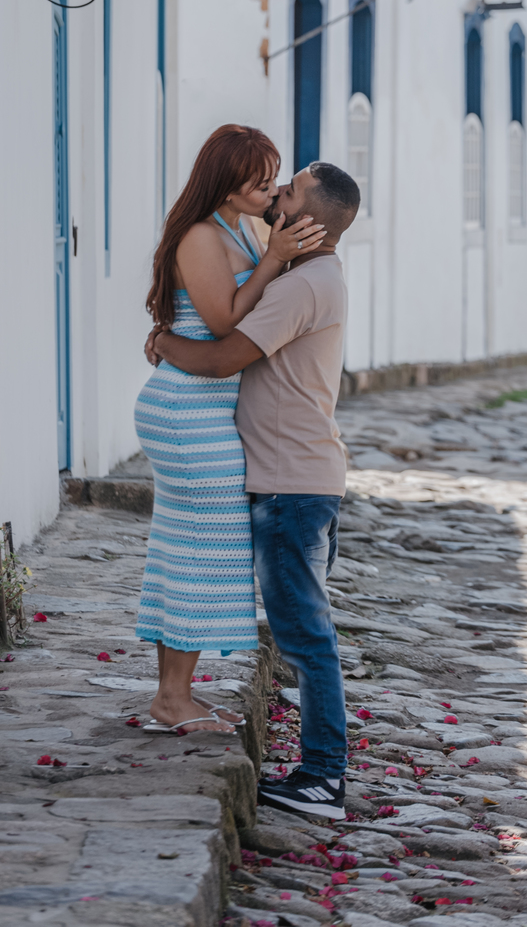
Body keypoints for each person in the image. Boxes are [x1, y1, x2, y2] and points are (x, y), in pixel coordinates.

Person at [146, 159, 360, 819]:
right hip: (298, 479)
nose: (278, 194)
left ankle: (323, 777)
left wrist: (162, 341)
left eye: (289, 191)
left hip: (292, 486)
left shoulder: (304, 286)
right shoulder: (308, 275)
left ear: (308, 220)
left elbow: (222, 355)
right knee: (305, 633)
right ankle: (320, 769)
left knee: (305, 638)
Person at [134, 124, 323, 734]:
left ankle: (171, 696)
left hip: (206, 407)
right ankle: (173, 699)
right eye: (260, 182)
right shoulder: (200, 237)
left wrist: (271, 250)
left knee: (183, 547)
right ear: (227, 185)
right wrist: (273, 260)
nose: (271, 191)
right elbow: (220, 325)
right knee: (199, 551)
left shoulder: (237, 228)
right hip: (189, 407)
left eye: (274, 179)